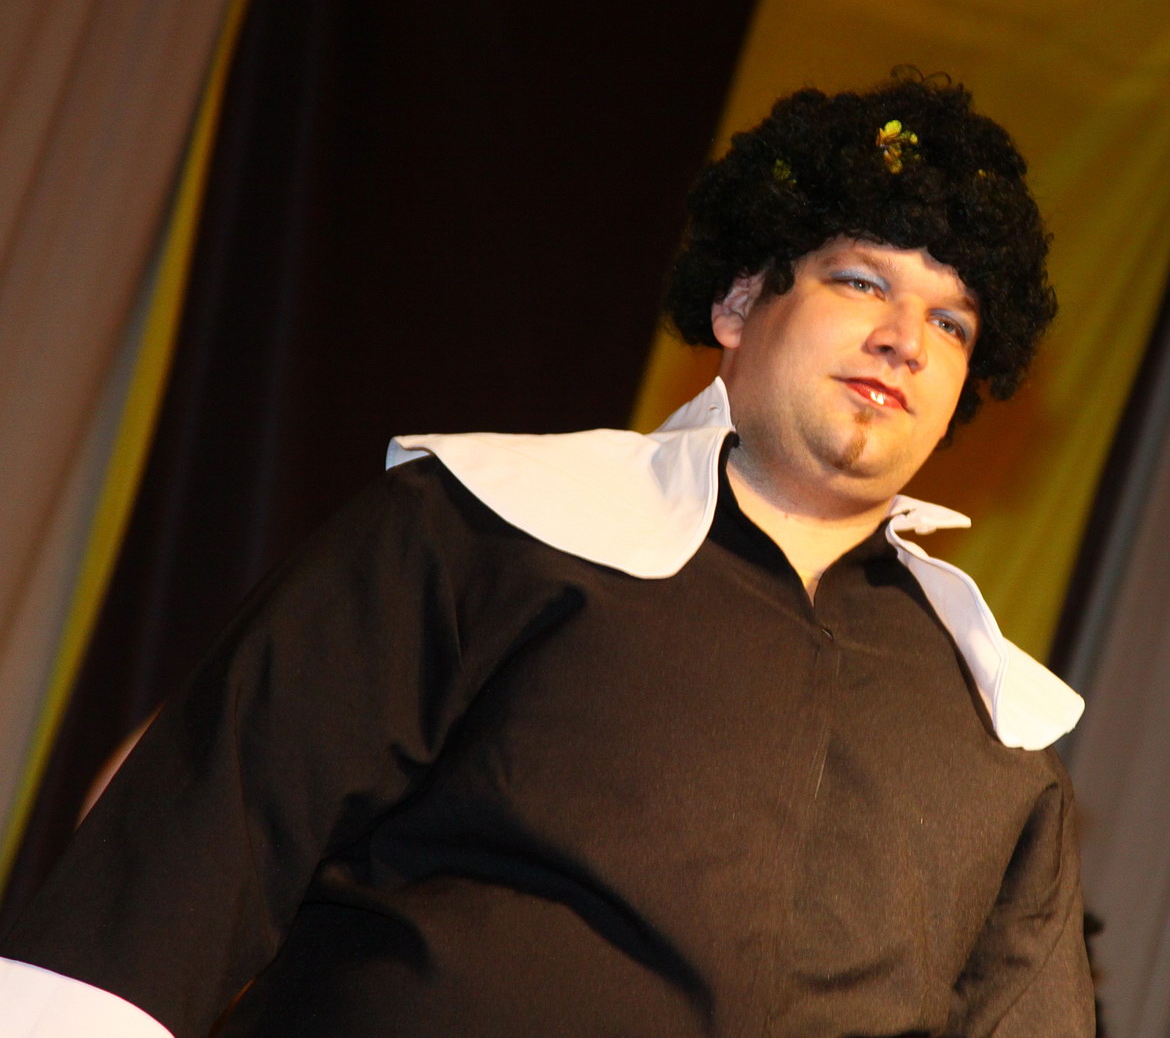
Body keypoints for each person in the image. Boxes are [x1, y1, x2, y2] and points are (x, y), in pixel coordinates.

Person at [0, 74, 1092, 1036]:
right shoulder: (483, 528)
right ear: (738, 302)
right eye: (862, 281)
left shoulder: (997, 734)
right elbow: (196, 848)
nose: (905, 340)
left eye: (952, 324)